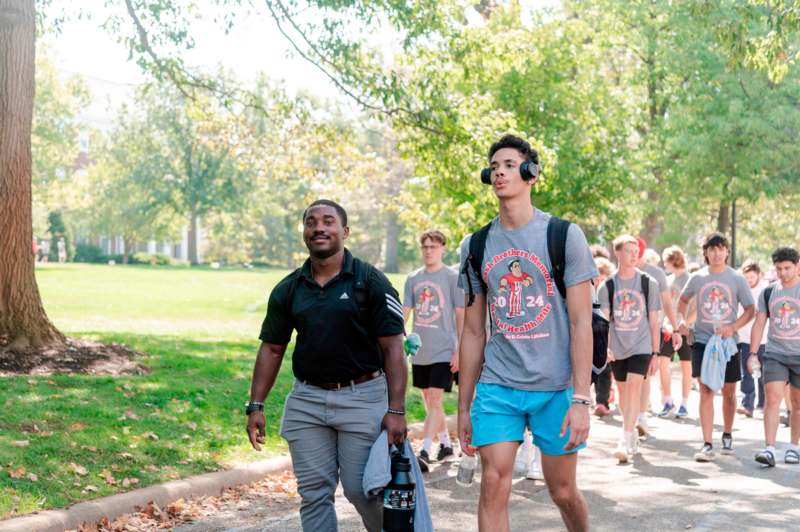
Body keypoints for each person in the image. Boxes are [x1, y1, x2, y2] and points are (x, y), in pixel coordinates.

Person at [458, 134, 596, 532]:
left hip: (555, 387)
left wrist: (582, 399)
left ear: (530, 173)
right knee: (493, 483)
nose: (499, 171)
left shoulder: (564, 236)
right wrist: (464, 405)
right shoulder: (476, 245)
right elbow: (472, 331)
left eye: (508, 164)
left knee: (563, 491)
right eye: (494, 166)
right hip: (499, 385)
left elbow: (580, 323)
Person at [246, 199, 407, 531]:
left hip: (363, 397)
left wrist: (397, 410)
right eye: (311, 222)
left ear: (344, 231)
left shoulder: (370, 282)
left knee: (364, 490)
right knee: (314, 494)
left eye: (328, 221)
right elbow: (273, 348)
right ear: (304, 232)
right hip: (307, 401)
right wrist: (256, 405)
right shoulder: (289, 289)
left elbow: (393, 348)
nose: (319, 227)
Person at [678, 233, 755, 462]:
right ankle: (707, 442)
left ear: (727, 251)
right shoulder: (698, 277)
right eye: (712, 249)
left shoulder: (737, 278)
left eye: (721, 248)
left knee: (729, 392)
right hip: (702, 340)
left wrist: (733, 327)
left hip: (728, 344)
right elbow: (683, 300)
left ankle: (728, 435)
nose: (716, 253)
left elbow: (750, 309)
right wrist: (682, 320)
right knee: (706, 389)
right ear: (705, 252)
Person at [403, 229, 464, 471]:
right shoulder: (413, 278)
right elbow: (405, 311)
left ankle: (426, 451)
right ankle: (447, 445)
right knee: (429, 400)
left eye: (433, 247)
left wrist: (459, 349)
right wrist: (398, 337)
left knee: (436, 398)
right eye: (425, 247)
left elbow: (461, 316)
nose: (429, 251)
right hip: (420, 349)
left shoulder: (451, 277)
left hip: (445, 348)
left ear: (442, 249)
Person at [599, 235, 663, 463]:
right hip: (618, 346)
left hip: (641, 344)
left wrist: (656, 352)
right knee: (624, 394)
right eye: (629, 251)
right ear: (618, 253)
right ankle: (632, 429)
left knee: (635, 387)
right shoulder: (607, 286)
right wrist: (604, 348)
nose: (634, 255)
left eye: (636, 251)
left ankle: (624, 438)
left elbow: (654, 321)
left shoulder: (648, 283)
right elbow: (603, 322)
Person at [749, 247, 800, 467]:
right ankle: (769, 448)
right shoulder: (769, 292)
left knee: (797, 403)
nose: (783, 273)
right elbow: (759, 323)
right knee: (772, 399)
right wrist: (752, 354)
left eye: (788, 268)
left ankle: (793, 447)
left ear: (798, 266)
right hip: (775, 352)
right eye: (779, 268)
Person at [638, 244, 682, 433]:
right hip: (624, 333)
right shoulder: (616, 276)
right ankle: (633, 416)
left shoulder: (656, 274)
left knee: (645, 374)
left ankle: (640, 416)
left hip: (651, 330)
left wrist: (676, 328)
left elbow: (667, 302)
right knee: (625, 382)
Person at [659, 246, 693, 419]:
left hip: (686, 330)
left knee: (686, 366)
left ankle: (685, 403)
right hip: (668, 329)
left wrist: (684, 325)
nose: (664, 264)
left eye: (666, 260)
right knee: (662, 362)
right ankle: (667, 400)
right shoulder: (667, 280)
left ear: (674, 260)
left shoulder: (690, 279)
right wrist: (665, 324)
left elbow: (695, 308)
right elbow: (665, 306)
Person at [737, 260, 768, 417]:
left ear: (758, 276)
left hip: (763, 340)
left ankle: (763, 404)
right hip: (744, 338)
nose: (749, 280)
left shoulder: (764, 291)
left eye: (752, 277)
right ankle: (747, 405)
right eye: (746, 277)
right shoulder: (741, 290)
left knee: (763, 372)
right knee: (746, 373)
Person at [592, 256, 615, 417]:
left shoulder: (611, 290)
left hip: (608, 334)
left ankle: (601, 402)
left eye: (603, 277)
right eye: (597, 277)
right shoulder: (586, 289)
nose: (599, 281)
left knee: (604, 369)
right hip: (589, 333)